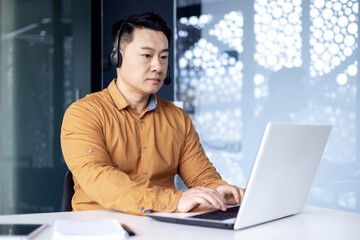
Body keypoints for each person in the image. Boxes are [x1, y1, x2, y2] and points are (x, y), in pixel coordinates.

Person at [60, 12, 244, 216]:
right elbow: (99, 179)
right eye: (147, 56)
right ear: (117, 57)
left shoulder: (177, 118)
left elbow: (201, 176)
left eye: (163, 57)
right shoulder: (84, 114)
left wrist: (218, 190)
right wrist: (173, 200)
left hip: (161, 226)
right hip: (98, 228)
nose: (158, 66)